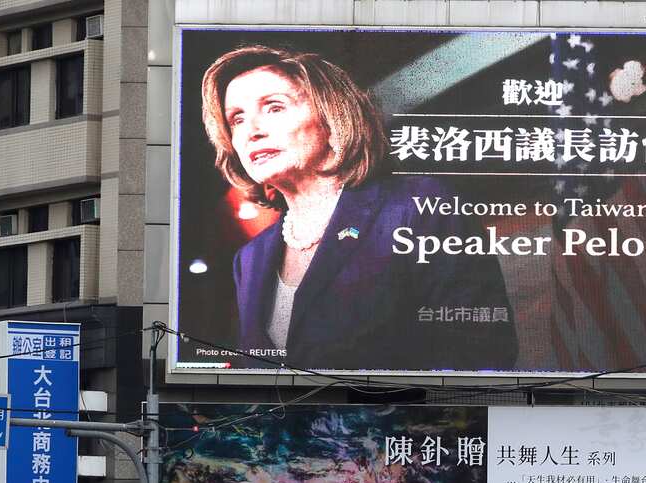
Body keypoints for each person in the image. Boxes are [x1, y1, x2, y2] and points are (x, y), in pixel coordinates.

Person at [200, 45, 518, 372]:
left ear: (332, 118)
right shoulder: (249, 259)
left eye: (274, 107)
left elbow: (482, 354)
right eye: (236, 118)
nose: (252, 131)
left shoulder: (419, 207)